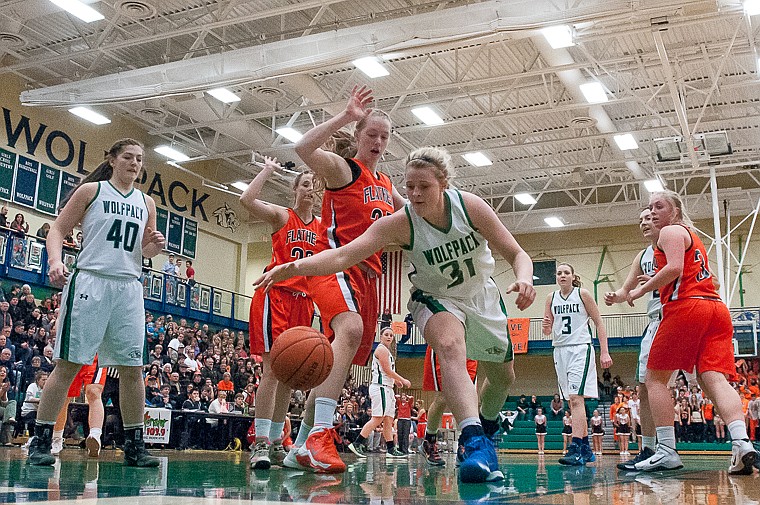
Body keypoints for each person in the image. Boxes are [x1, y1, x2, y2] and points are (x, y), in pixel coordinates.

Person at [254, 145, 536, 483]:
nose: (415, 193)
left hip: (482, 298)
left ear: (443, 182)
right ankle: (473, 440)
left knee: (504, 378)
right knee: (449, 345)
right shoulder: (401, 224)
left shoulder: (470, 206)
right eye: (409, 186)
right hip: (435, 298)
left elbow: (517, 253)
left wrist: (523, 279)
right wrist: (293, 266)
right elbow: (343, 256)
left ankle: (487, 433)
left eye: (424, 186)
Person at [270, 86, 405, 475]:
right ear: (360, 136)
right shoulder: (344, 170)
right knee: (349, 329)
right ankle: (321, 435)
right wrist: (345, 115)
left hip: (369, 279)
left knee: (329, 362)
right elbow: (303, 149)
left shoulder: (385, 185)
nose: (378, 142)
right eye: (371, 134)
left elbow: (415, 214)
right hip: (334, 267)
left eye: (384, 136)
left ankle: (300, 446)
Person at [26, 138, 164, 467]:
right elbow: (57, 228)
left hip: (128, 286)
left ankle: (135, 445)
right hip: (90, 280)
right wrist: (56, 261)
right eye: (128, 157)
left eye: (139, 159)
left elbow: (144, 252)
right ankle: (41, 440)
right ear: (112, 160)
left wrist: (153, 247)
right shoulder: (92, 192)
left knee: (133, 370)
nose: (134, 163)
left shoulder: (148, 203)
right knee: (68, 365)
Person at [626, 190, 758, 474]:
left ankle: (666, 450)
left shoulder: (671, 231)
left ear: (674, 210)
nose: (653, 212)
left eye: (659, 206)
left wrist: (641, 289)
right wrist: (658, 281)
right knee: (713, 380)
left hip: (687, 309)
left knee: (655, 380)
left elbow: (674, 268)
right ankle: (742, 443)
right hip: (716, 310)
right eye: (650, 207)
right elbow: (692, 274)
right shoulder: (692, 237)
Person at [240, 155, 322, 470]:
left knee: (290, 375)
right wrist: (268, 170)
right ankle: (259, 442)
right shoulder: (282, 216)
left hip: (304, 302)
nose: (310, 190)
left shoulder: (322, 228)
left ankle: (276, 442)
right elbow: (246, 199)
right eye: (304, 185)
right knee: (273, 372)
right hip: (275, 296)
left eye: (314, 185)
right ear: (295, 190)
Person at [604, 208, 662, 470]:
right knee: (644, 388)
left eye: (649, 218)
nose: (644, 223)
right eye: (640, 220)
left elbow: (709, 281)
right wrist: (615, 296)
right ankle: (649, 448)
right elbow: (627, 288)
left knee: (710, 380)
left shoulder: (676, 243)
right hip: (655, 321)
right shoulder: (643, 255)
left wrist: (658, 283)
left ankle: (742, 441)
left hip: (680, 315)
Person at [543, 262, 612, 466]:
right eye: (559, 273)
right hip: (559, 350)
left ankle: (576, 445)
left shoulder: (583, 294)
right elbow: (548, 331)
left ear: (573, 276)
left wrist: (605, 351)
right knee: (572, 401)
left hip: (580, 348)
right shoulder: (551, 298)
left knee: (575, 399)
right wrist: (546, 326)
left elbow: (599, 322)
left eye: (566, 272)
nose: (562, 275)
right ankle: (585, 449)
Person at [347, 327, 411, 459]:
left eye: (391, 335)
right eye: (386, 334)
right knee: (377, 418)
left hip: (387, 388)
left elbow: (387, 372)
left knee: (388, 419)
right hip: (380, 387)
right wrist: (402, 379)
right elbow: (387, 370)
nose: (389, 337)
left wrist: (395, 381)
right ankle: (357, 443)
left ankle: (391, 449)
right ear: (381, 336)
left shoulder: (387, 351)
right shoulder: (381, 349)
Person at [418, 345, 478, 467]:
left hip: (470, 346)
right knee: (443, 397)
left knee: (468, 396)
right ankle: (429, 441)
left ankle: (464, 444)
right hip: (446, 343)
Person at [50, 357, 107, 458]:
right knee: (64, 396)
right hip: (72, 353)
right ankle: (56, 438)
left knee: (94, 392)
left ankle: (95, 436)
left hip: (96, 352)